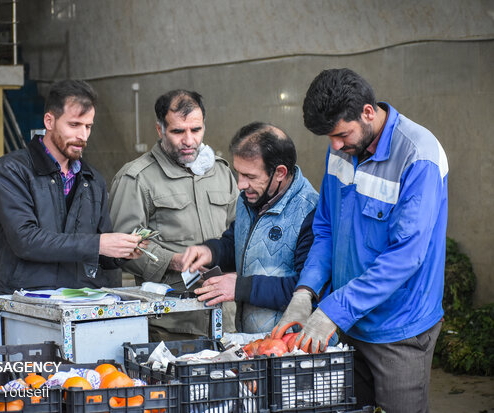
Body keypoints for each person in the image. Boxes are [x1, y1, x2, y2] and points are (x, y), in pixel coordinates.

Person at [271, 68, 448, 412]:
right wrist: (305, 292)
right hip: (347, 322)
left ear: (368, 112)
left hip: (398, 328)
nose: (335, 146)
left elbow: (405, 256)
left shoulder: (418, 157)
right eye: (330, 138)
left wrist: (334, 310)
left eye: (341, 134)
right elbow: (326, 227)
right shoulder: (342, 149)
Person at [0, 79, 146, 295]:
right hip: (28, 300)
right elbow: (25, 240)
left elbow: (100, 251)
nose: (82, 136)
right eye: (74, 125)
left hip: (82, 300)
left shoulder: (93, 180)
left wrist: (119, 252)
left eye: (88, 126)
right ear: (49, 121)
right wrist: (98, 244)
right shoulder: (11, 171)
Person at [109, 89, 239, 339]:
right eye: (178, 131)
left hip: (227, 318)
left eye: (196, 130)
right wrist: (172, 260)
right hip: (171, 323)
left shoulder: (221, 173)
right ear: (160, 130)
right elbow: (122, 249)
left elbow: (240, 234)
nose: (189, 140)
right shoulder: (137, 178)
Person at [180, 122, 319, 334]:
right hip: (252, 342)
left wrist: (240, 287)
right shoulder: (250, 199)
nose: (240, 185)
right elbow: (235, 243)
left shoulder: (310, 211)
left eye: (250, 177)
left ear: (280, 172)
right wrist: (210, 252)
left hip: (292, 346)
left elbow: (307, 288)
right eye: (239, 173)